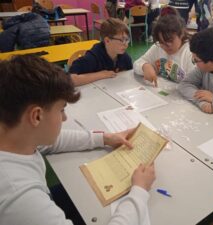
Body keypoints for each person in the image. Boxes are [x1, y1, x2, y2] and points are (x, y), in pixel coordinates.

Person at [0, 55, 156, 225]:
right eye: (61, 110)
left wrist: (105, 138)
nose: (65, 118)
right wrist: (139, 191)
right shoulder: (20, 198)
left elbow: (48, 142)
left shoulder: (14, 135)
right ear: (36, 116)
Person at [133, 6, 194, 87]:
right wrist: (144, 66)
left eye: (170, 41)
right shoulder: (158, 47)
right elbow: (137, 63)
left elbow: (195, 84)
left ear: (181, 34)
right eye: (161, 42)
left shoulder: (190, 53)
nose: (165, 46)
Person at [69, 18, 132, 86]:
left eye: (127, 39)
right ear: (107, 40)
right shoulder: (92, 58)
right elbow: (70, 80)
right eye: (122, 40)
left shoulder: (125, 57)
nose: (126, 44)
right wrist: (101, 75)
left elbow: (129, 75)